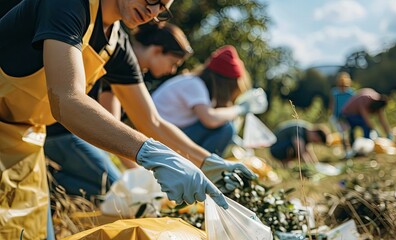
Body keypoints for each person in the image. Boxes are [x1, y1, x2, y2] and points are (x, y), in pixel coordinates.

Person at [0, 1, 256, 239]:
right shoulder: (68, 6)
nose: (153, 11)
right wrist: (150, 154)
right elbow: (66, 99)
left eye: (162, 8)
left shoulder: (116, 43)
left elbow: (152, 121)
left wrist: (206, 162)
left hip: (24, 141)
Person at [44, 22, 193, 197]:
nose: (172, 70)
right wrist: (145, 174)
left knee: (116, 189)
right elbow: (112, 133)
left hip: (71, 135)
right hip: (62, 134)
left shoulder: (129, 68)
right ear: (157, 51)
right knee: (117, 190)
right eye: (173, 63)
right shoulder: (119, 67)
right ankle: (51, 184)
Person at [151, 45, 268, 156]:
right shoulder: (195, 84)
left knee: (224, 124)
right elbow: (210, 119)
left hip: (162, 135)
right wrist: (240, 109)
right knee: (227, 127)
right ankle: (204, 168)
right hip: (159, 139)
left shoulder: (195, 83)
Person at [328, 71, 355, 158]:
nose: (343, 88)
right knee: (343, 134)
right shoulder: (335, 93)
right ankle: (346, 151)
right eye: (341, 85)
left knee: (350, 133)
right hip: (339, 117)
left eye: (345, 86)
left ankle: (352, 150)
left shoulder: (351, 93)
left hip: (349, 116)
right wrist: (332, 115)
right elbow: (332, 105)